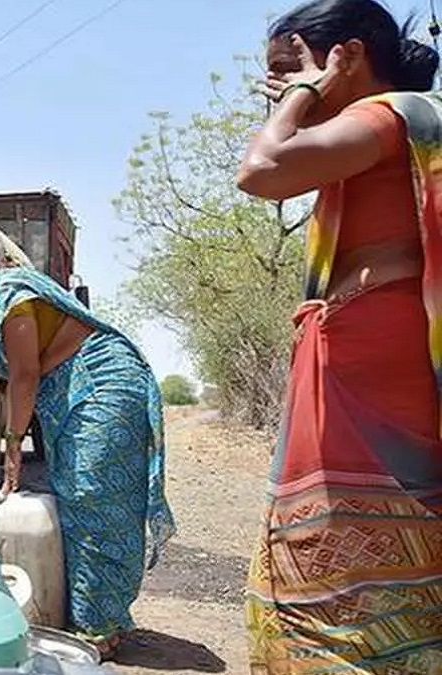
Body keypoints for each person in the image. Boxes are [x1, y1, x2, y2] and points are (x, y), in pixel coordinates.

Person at [235, 1, 442, 672]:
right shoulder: (401, 130)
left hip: (371, 359)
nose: (276, 89)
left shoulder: (381, 116)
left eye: (284, 68)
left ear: (345, 57)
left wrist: (301, 94)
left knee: (331, 577)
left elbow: (262, 173)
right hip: (379, 355)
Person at [0, 227, 175, 659]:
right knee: (77, 498)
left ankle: (99, 627)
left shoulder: (6, 291)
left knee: (94, 496)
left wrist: (12, 444)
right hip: (74, 392)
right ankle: (98, 618)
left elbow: (24, 376)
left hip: (106, 380)